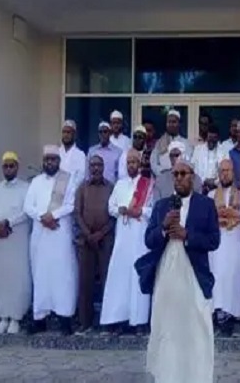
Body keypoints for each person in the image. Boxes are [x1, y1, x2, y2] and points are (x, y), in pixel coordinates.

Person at [145, 158, 220, 383]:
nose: (178, 178)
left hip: (195, 275)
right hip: (167, 275)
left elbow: (214, 240)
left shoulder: (206, 205)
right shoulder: (162, 206)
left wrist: (187, 236)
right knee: (167, 327)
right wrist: (163, 228)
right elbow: (148, 240)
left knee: (197, 326)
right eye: (175, 174)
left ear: (192, 177)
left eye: (183, 174)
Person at [24, 145, 77, 335]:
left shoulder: (68, 180)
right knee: (41, 276)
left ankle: (64, 319)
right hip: (41, 236)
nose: (50, 162)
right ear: (43, 161)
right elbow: (28, 206)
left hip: (60, 234)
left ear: (59, 161)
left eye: (53, 159)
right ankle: (40, 318)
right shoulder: (36, 182)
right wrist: (42, 217)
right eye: (47, 159)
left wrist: (53, 215)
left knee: (62, 276)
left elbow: (70, 204)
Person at [101, 149, 153, 335]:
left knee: (137, 275)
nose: (132, 165)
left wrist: (140, 211)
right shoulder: (120, 184)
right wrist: (121, 210)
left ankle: (139, 321)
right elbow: (111, 207)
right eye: (129, 162)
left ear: (139, 164)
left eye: (134, 162)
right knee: (120, 276)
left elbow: (152, 209)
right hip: (123, 238)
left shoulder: (148, 184)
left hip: (139, 236)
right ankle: (118, 319)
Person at [0, 151, 31, 335]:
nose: (9, 169)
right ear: (2, 168)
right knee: (0, 279)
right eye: (6, 166)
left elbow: (26, 211)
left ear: (17, 167)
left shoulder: (25, 188)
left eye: (12, 165)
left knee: (17, 278)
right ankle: (2, 318)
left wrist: (8, 222)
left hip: (17, 239)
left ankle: (15, 318)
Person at [208, 159, 240, 336]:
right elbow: (205, 221)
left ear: (233, 173)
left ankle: (234, 318)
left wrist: (237, 214)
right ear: (218, 174)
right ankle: (218, 317)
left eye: (228, 170)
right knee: (218, 278)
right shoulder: (211, 196)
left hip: (236, 242)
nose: (225, 174)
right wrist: (217, 215)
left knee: (235, 279)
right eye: (222, 171)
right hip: (217, 244)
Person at [74, 154, 115, 335]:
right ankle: (85, 323)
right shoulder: (82, 188)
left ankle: (107, 322)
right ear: (89, 168)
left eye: (99, 165)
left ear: (103, 167)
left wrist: (101, 233)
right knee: (85, 282)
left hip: (105, 239)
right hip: (86, 240)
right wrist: (88, 234)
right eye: (93, 165)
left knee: (107, 281)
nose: (96, 168)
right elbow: (77, 213)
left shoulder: (110, 187)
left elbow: (114, 214)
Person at [150, 109, 192, 176]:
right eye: (169, 122)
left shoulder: (185, 143)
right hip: (163, 177)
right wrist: (163, 172)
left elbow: (188, 162)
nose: (171, 124)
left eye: (174, 122)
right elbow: (153, 162)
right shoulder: (159, 142)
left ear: (179, 124)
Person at [191, 125, 229, 194]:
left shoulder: (224, 151)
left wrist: (214, 182)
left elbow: (226, 171)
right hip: (199, 188)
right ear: (206, 137)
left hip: (217, 189)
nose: (212, 140)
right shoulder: (198, 150)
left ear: (218, 138)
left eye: (214, 138)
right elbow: (192, 169)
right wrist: (204, 181)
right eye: (210, 137)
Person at [59, 120, 87, 188]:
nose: (66, 135)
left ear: (74, 135)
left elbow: (81, 177)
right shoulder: (57, 152)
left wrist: (70, 188)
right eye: (64, 132)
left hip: (73, 191)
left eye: (68, 132)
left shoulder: (80, 155)